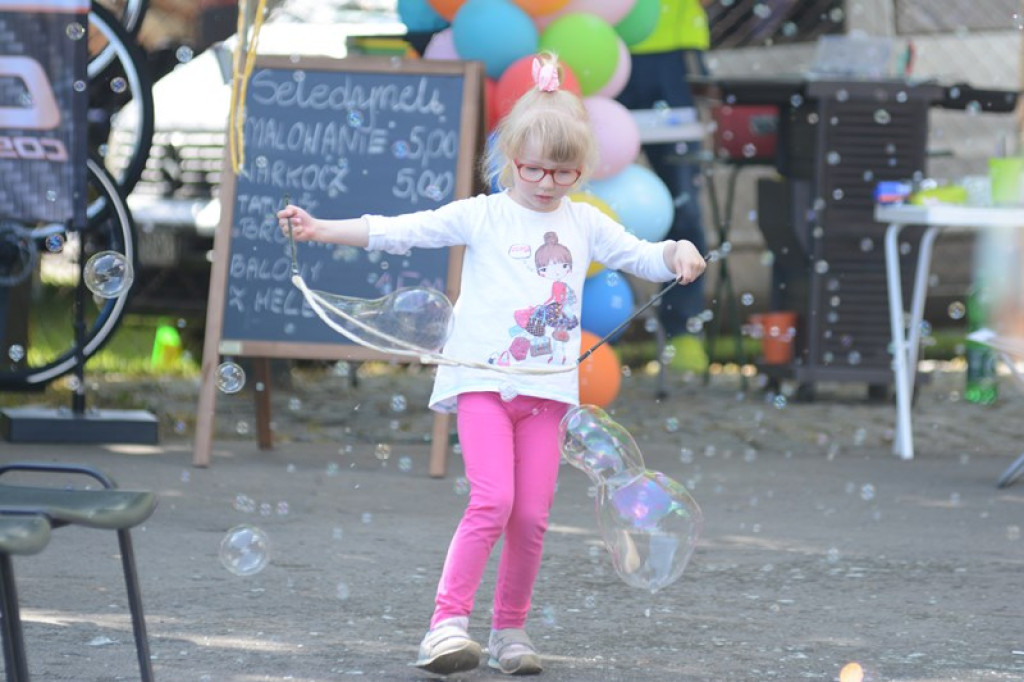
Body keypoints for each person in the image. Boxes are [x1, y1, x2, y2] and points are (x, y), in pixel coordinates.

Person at [278, 52, 706, 676]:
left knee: (531, 517)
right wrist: (321, 229)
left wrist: (679, 250)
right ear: (510, 158)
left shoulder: (585, 222)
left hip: (548, 394)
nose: (546, 183)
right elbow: (403, 229)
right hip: (481, 384)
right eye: (533, 168)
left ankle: (510, 631)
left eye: (564, 172)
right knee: (493, 501)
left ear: (582, 169)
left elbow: (643, 255)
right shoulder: (483, 214)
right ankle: (445, 626)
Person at [616, 0, 712, 373]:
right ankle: (600, 331)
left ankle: (682, 330)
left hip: (674, 53)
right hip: (598, 46)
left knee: (683, 206)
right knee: (590, 201)